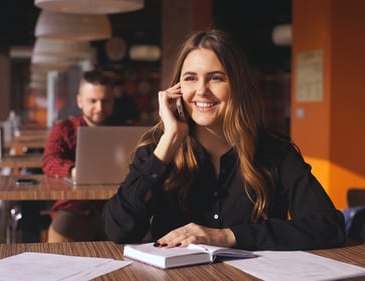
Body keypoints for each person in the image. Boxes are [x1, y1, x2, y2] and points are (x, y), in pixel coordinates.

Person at [102, 29, 346, 251]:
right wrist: (171, 140)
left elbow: (328, 226)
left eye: (216, 78)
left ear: (237, 86)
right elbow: (120, 229)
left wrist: (227, 236)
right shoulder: (157, 148)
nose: (201, 91)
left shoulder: (276, 152)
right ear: (176, 89)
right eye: (190, 78)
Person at [42, 70, 115, 242]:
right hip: (75, 206)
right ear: (80, 101)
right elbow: (49, 160)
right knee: (63, 227)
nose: (100, 107)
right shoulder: (64, 128)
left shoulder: (125, 130)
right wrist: (73, 170)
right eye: (93, 101)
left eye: (105, 101)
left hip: (116, 206)